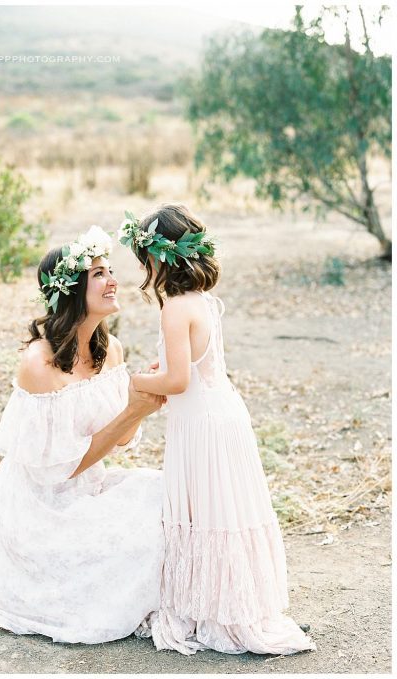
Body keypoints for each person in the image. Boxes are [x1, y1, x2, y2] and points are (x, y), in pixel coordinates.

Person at [0, 225, 167, 643]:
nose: (112, 280)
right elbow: (61, 470)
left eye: (109, 271)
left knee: (165, 494)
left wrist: (141, 405)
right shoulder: (38, 363)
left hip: (90, 486)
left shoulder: (113, 349)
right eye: (99, 274)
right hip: (39, 507)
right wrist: (133, 409)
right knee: (131, 537)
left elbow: (119, 440)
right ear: (70, 290)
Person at [122, 204, 316, 655]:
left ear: (158, 258)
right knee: (224, 512)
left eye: (143, 258)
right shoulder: (203, 301)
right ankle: (235, 603)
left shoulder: (174, 307)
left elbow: (176, 381)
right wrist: (165, 368)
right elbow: (191, 363)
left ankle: (213, 609)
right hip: (222, 411)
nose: (143, 268)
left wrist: (131, 380)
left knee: (204, 513)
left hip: (202, 423)